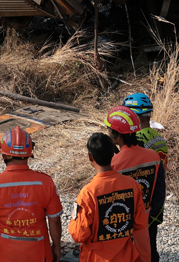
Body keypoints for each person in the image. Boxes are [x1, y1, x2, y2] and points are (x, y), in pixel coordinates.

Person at [0, 127, 63, 262]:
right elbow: (55, 220)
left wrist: (0, 215)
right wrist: (56, 247)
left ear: (3, 154)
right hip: (38, 251)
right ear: (29, 153)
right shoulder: (45, 182)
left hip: (5, 251)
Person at [69, 132, 148, 262]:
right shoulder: (131, 184)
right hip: (126, 256)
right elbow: (140, 224)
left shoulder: (88, 193)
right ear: (113, 153)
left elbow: (78, 235)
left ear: (90, 157)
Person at [105, 106, 163, 262]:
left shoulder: (114, 163)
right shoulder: (153, 156)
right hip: (145, 220)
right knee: (147, 253)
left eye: (109, 129)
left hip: (122, 224)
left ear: (116, 134)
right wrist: (148, 213)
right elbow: (159, 192)